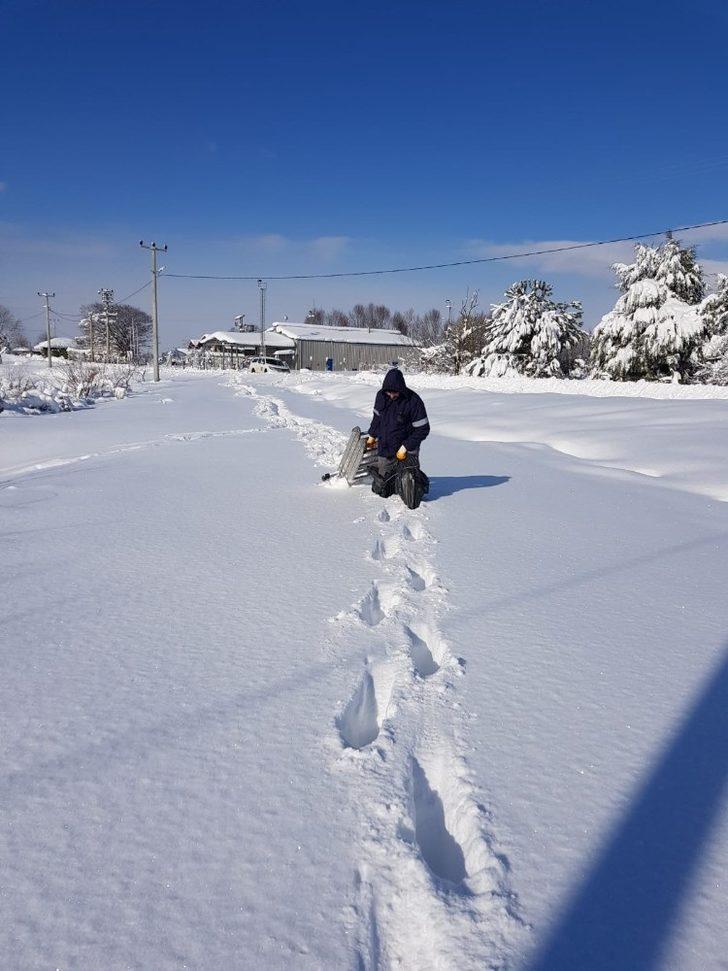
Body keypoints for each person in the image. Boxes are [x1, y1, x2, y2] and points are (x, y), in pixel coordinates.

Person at [366, 368, 429, 497]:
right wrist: (372, 435)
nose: (391, 395)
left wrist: (406, 447)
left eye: (395, 392)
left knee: (408, 483)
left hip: (406, 449)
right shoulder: (381, 396)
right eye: (389, 392)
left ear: (401, 389)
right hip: (386, 447)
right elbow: (377, 417)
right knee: (384, 487)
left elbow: (423, 429)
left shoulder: (413, 401)